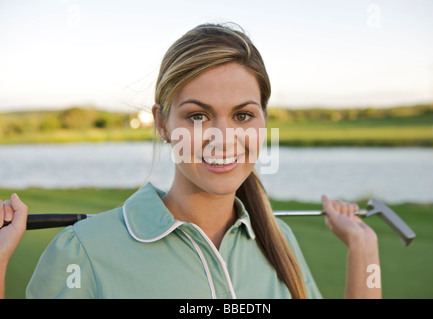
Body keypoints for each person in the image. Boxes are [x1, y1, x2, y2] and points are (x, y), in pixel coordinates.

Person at [0, 23, 381, 299]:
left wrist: (363, 249)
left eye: (243, 115)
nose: (223, 137)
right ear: (162, 123)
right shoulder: (81, 252)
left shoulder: (281, 241)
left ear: (264, 120)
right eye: (197, 116)